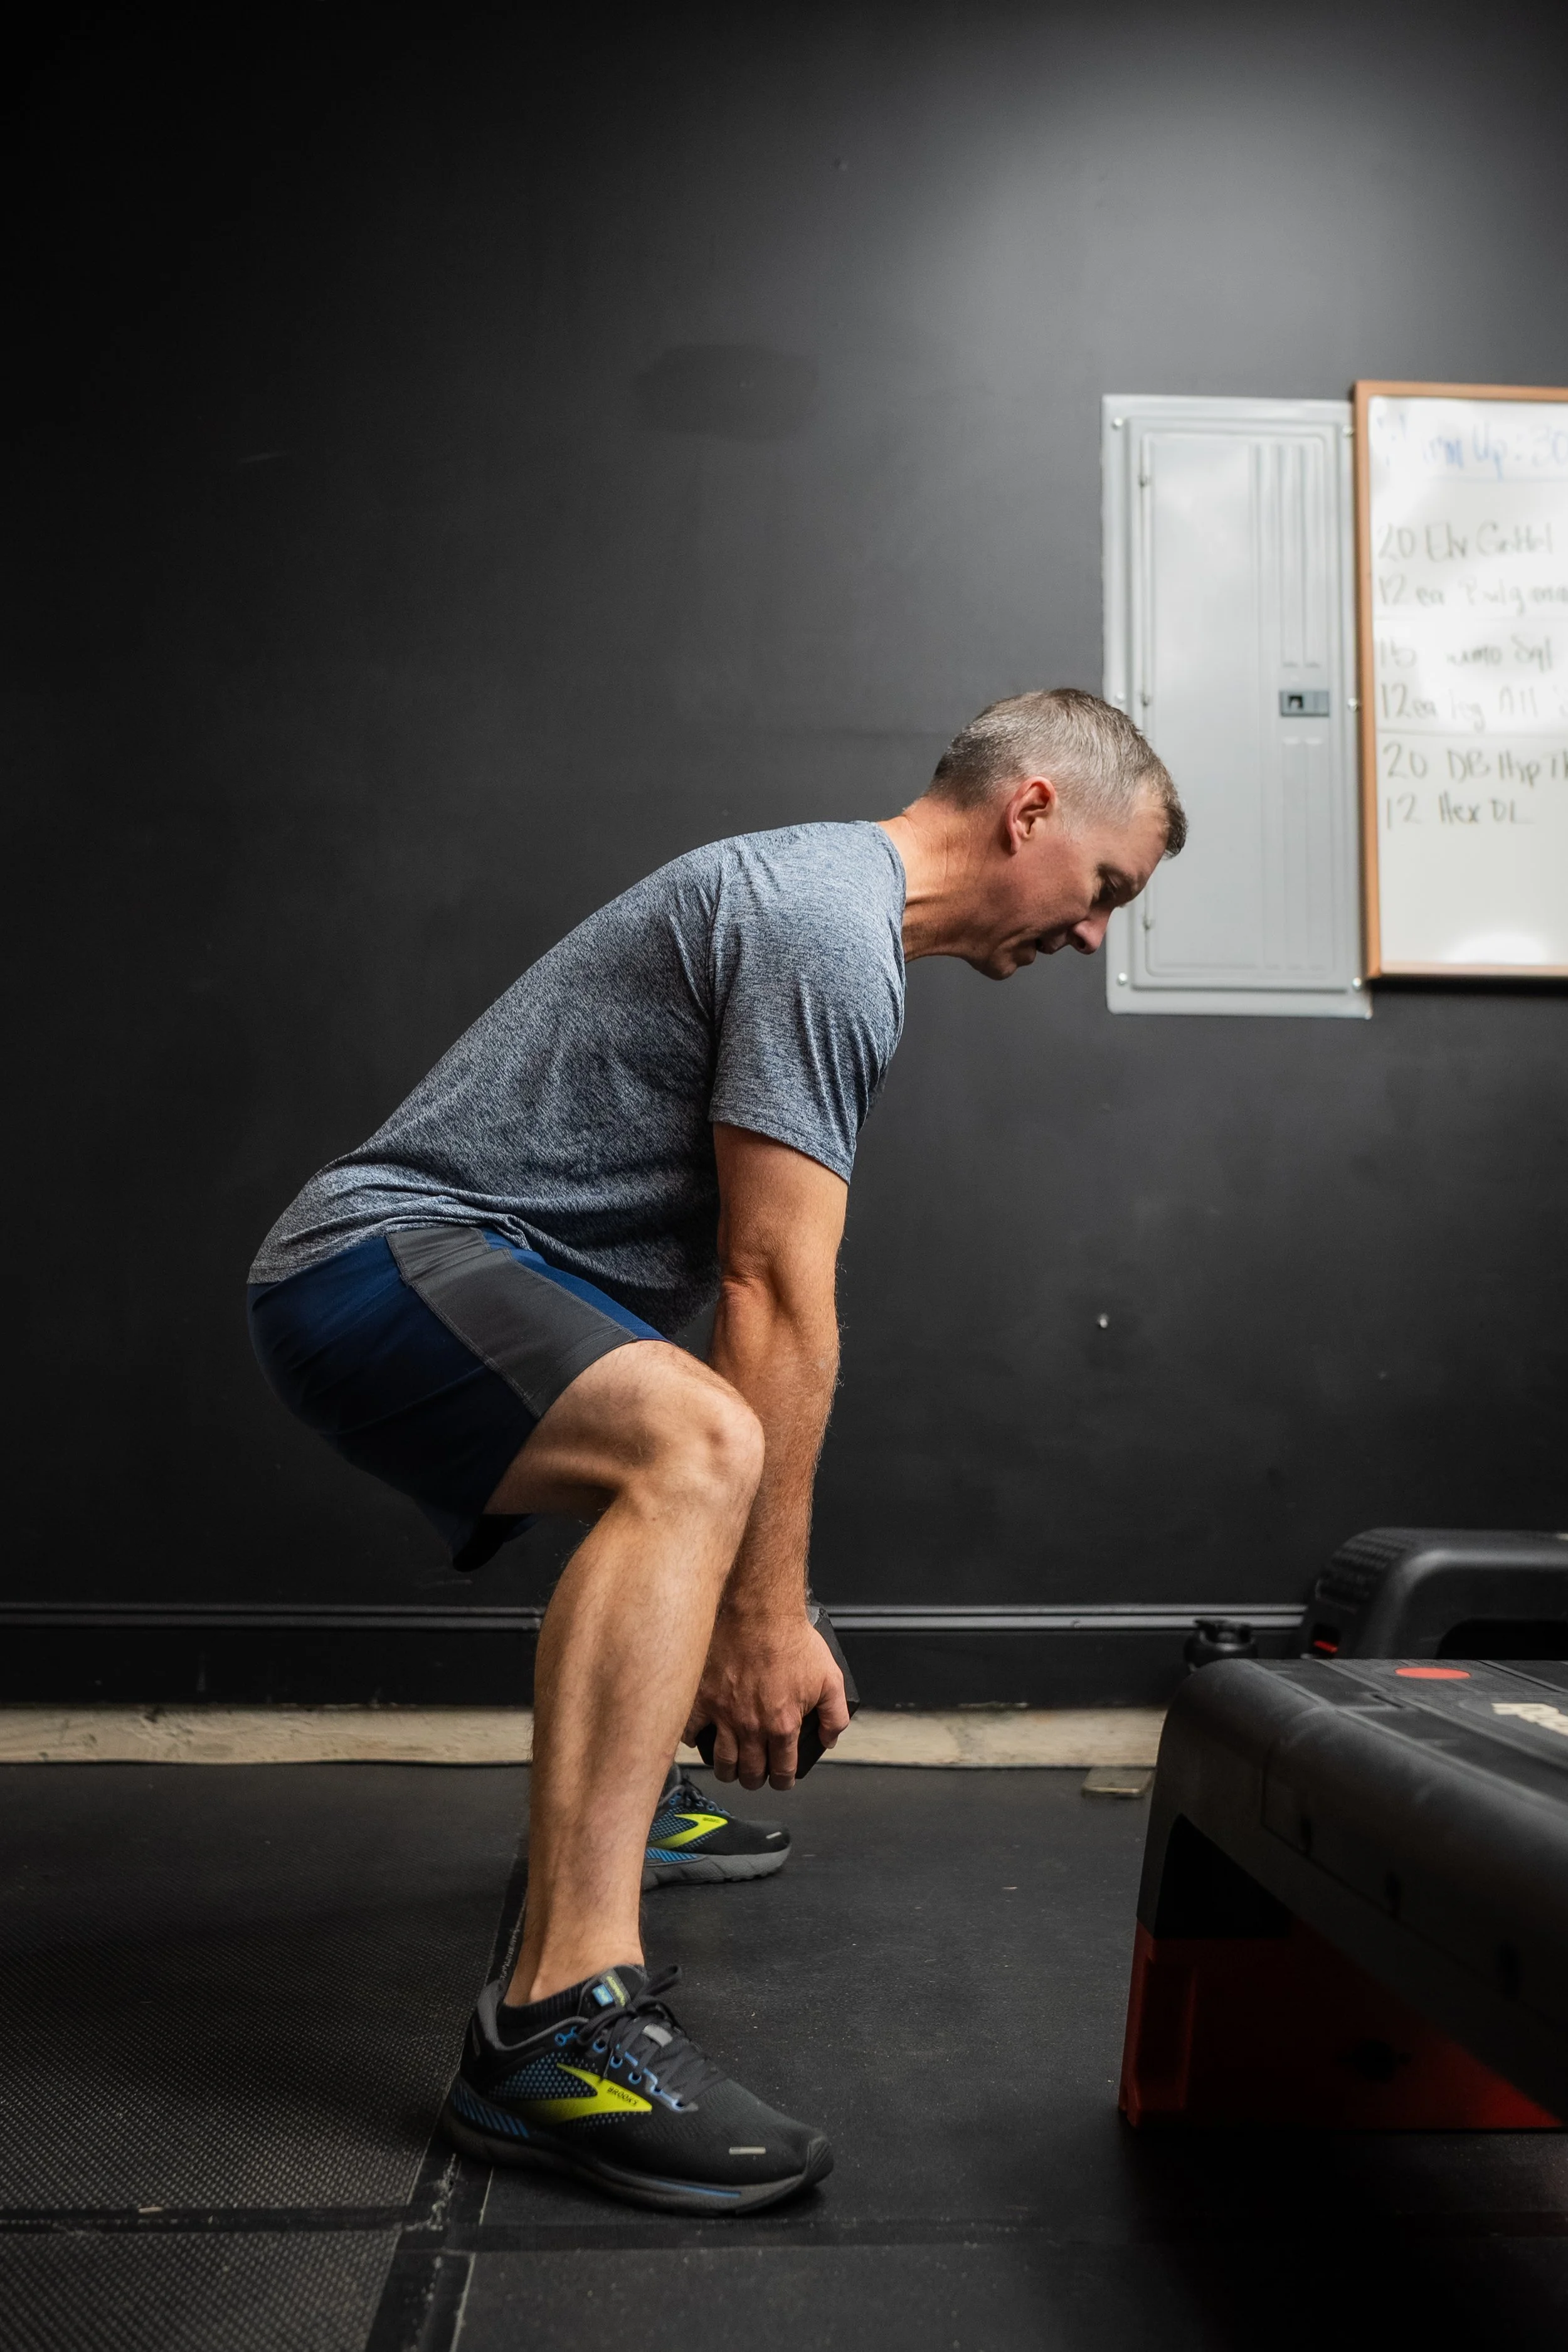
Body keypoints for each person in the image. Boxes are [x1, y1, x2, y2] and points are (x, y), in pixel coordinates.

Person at [246, 687, 1184, 2215]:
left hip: (463, 1271)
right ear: (1030, 811)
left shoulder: (826, 911)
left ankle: (632, 1784)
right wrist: (761, 1615)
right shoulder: (826, 924)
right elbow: (772, 1289)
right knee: (696, 1441)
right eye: (1106, 890)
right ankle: (558, 2027)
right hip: (372, 1263)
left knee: (685, 1438)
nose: (1091, 937)